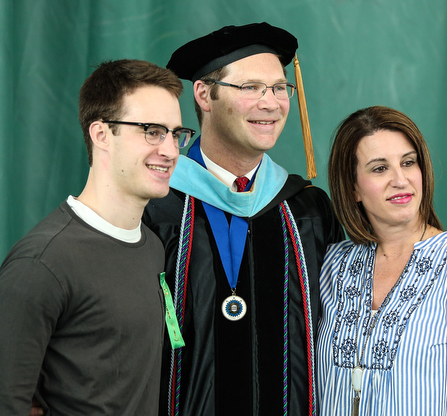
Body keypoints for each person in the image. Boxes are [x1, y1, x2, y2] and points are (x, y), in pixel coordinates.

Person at [143, 23, 344, 415]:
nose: (271, 103)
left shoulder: (307, 209)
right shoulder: (158, 205)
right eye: (251, 87)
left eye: (279, 88)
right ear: (204, 95)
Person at [0, 59, 194, 416]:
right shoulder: (43, 262)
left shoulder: (152, 247)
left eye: (176, 134)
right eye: (152, 131)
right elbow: (0, 406)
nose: (170, 150)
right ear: (101, 134)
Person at [318, 106, 447, 415]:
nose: (400, 180)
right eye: (379, 168)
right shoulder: (331, 266)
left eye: (408, 163)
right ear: (353, 187)